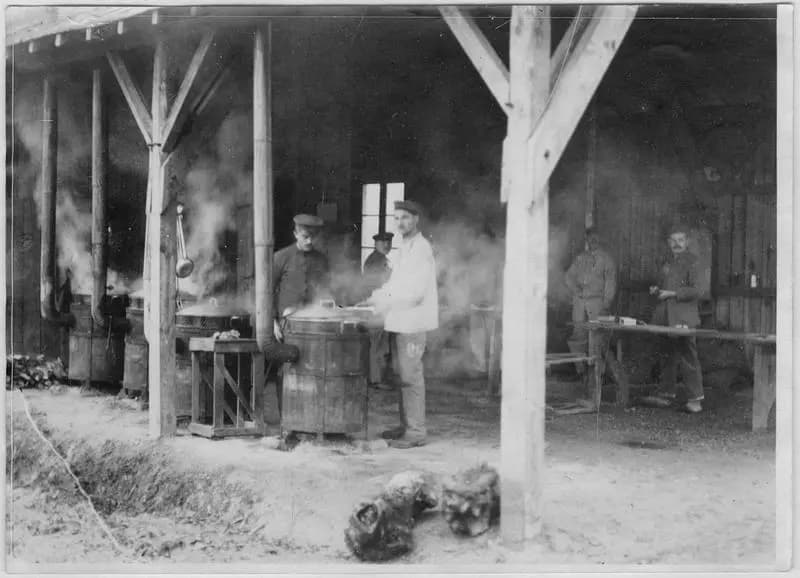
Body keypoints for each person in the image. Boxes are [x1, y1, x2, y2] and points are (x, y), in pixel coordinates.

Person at [363, 200, 438, 449]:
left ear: (416, 219)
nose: (400, 222)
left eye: (405, 217)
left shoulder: (421, 249)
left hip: (413, 323)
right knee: (403, 376)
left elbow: (415, 292)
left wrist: (386, 301)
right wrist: (377, 296)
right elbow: (396, 284)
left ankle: (416, 432)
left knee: (411, 378)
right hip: (401, 322)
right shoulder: (404, 247)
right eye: (396, 218)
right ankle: (406, 426)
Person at [270, 214, 330, 413]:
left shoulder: (321, 260)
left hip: (313, 325)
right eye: (305, 236)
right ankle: (286, 420)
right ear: (295, 234)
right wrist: (272, 322)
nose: (309, 241)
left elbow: (326, 291)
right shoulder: (281, 257)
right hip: (287, 326)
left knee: (312, 370)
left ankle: (309, 416)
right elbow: (266, 292)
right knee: (286, 370)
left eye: (313, 236)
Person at [650, 222, 704, 413]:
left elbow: (698, 290)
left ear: (687, 242)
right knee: (667, 355)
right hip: (666, 316)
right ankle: (666, 394)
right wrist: (656, 289)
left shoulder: (693, 261)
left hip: (684, 317)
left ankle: (695, 400)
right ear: (668, 242)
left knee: (688, 356)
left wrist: (672, 294)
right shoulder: (665, 261)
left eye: (680, 240)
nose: (677, 244)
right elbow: (661, 285)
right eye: (673, 240)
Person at [564, 227, 617, 382]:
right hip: (580, 303)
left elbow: (610, 283)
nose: (592, 241)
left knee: (597, 336)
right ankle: (581, 371)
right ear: (586, 240)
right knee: (577, 336)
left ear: (600, 240)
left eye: (595, 238)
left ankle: (597, 373)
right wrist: (576, 290)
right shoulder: (580, 258)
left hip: (597, 303)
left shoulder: (607, 260)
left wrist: (606, 302)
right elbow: (568, 277)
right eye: (589, 239)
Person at [362, 232, 394, 387]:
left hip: (381, 304)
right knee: (378, 344)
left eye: (389, 242)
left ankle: (378, 377)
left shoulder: (381, 259)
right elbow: (377, 285)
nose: (387, 245)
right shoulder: (376, 261)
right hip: (376, 304)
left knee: (380, 343)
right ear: (376, 244)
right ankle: (376, 379)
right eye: (383, 242)